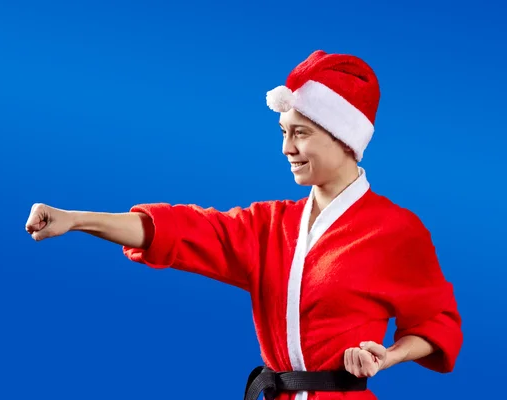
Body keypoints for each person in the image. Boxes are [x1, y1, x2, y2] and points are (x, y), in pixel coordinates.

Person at [24, 49, 463, 400]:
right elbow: (182, 230)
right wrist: (75, 220)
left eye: (301, 133)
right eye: (283, 132)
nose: (287, 147)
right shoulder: (270, 225)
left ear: (344, 138)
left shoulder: (395, 231)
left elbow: (436, 321)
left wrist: (388, 355)